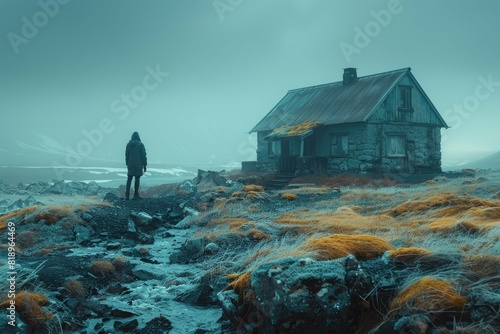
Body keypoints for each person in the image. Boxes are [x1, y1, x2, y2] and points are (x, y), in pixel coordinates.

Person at [125, 131, 147, 200]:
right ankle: (136, 195)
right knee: (137, 179)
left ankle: (127, 195)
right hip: (138, 164)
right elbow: (143, 155)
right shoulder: (140, 145)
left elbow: (126, 155)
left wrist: (127, 163)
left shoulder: (128, 145)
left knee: (129, 179)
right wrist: (145, 165)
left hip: (130, 164)